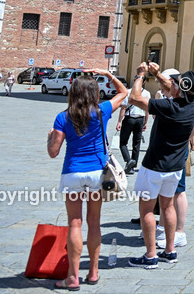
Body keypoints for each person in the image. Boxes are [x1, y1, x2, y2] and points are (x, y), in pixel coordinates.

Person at [46, 69, 129, 290]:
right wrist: (107, 74)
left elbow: (53, 152)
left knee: (75, 223)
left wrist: (49, 138)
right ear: (95, 93)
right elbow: (124, 92)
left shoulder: (62, 117)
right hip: (96, 173)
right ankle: (93, 271)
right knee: (94, 222)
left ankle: (72, 277)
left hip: (72, 172)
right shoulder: (102, 110)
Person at [126, 63, 194, 269]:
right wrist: (157, 74)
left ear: (177, 89)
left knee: (146, 210)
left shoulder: (168, 107)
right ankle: (169, 250)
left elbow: (134, 98)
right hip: (175, 167)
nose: (171, 84)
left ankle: (150, 255)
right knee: (168, 206)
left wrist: (140, 76)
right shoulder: (192, 104)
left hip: (154, 166)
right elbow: (173, 88)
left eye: (175, 83)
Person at [117, 81, 150, 174]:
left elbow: (123, 108)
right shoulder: (146, 93)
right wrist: (145, 122)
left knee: (123, 142)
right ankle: (133, 165)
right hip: (140, 119)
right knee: (136, 144)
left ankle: (128, 161)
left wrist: (119, 121)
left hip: (129, 118)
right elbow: (147, 110)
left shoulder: (128, 92)